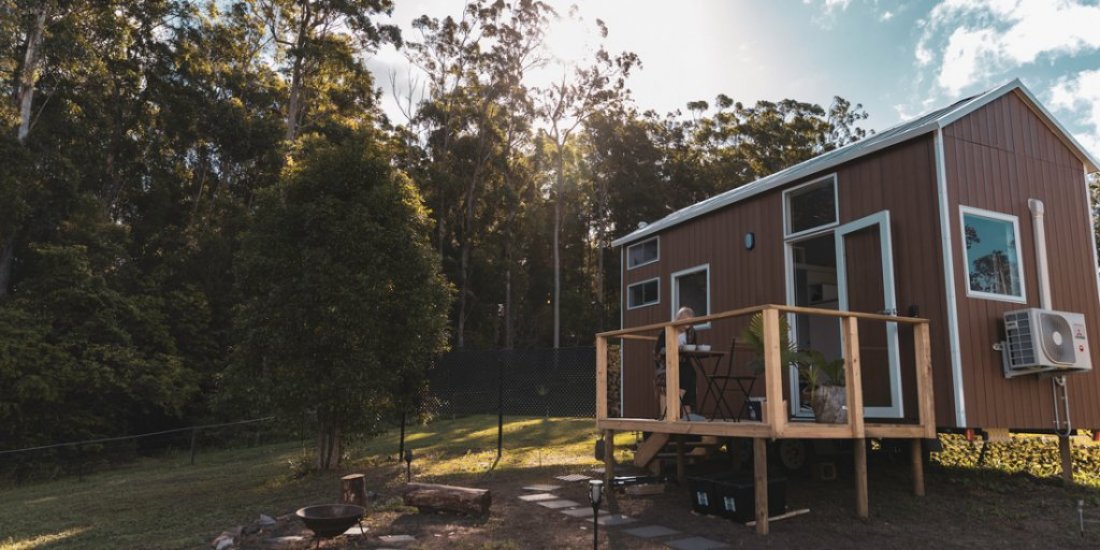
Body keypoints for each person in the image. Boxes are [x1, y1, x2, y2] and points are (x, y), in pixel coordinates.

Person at [654, 306, 699, 419]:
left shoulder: (691, 332)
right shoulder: (667, 331)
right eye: (684, 322)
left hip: (684, 362)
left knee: (691, 372)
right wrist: (674, 349)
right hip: (667, 364)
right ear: (678, 319)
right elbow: (658, 351)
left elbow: (692, 347)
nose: (686, 326)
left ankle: (686, 411)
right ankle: (683, 408)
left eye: (689, 323)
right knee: (688, 371)